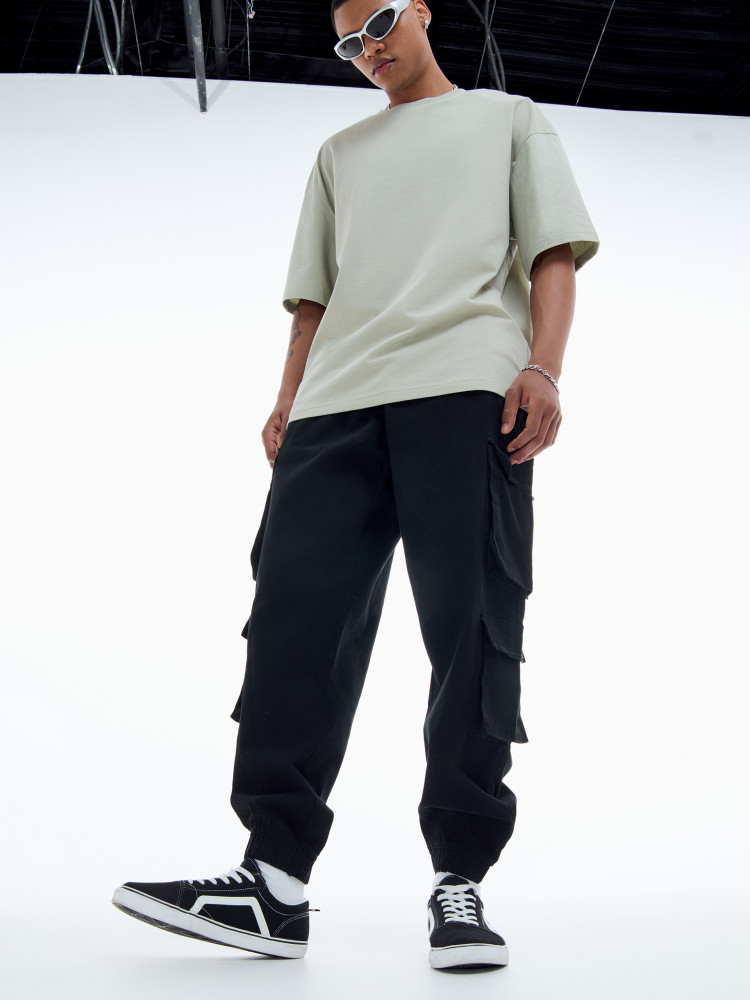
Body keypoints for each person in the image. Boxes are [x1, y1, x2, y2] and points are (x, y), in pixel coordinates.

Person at [111, 0, 600, 972]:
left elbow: (551, 250)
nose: (366, 49)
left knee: (472, 626)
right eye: (347, 42)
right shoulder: (340, 153)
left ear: (419, 10)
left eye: (378, 23)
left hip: (466, 384)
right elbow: (313, 297)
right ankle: (273, 883)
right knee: (293, 623)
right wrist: (287, 398)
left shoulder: (507, 119)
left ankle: (460, 879)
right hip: (337, 403)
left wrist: (543, 368)